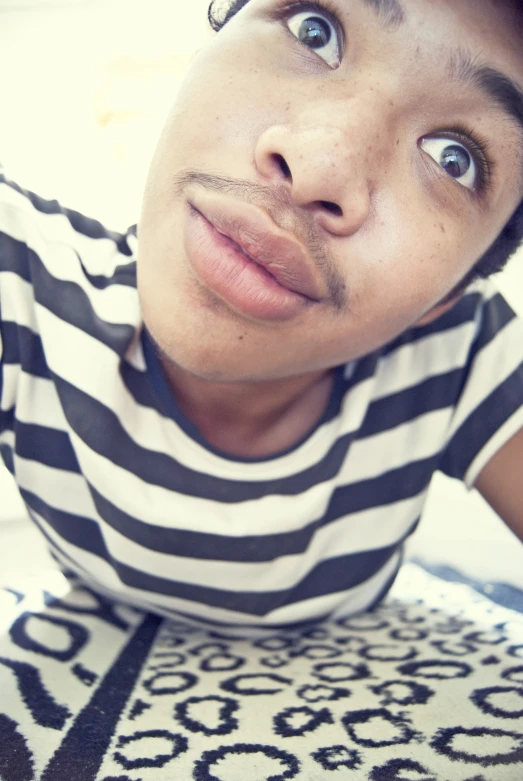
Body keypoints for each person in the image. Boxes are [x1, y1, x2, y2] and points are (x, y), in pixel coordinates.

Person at [0, 0, 522, 636]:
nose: (317, 165)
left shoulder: (464, 352)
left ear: (448, 295)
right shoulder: (21, 278)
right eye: (315, 30)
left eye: (453, 157)